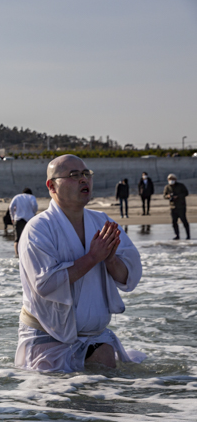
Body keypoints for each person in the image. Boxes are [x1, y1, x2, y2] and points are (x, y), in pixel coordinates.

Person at [16, 155, 142, 373]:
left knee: (103, 397)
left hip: (95, 338)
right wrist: (92, 258)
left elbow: (129, 277)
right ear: (51, 186)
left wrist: (110, 259)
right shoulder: (38, 229)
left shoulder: (102, 222)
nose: (84, 180)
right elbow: (45, 284)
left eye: (86, 174)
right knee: (54, 403)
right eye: (74, 175)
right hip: (48, 337)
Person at [9, 187, 39, 257]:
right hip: (29, 220)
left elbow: (11, 207)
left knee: (17, 239)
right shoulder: (31, 197)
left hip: (18, 219)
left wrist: (12, 217)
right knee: (30, 238)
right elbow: (35, 206)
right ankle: (29, 254)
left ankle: (17, 255)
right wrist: (33, 213)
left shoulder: (17, 197)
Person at [163, 174, 190, 240]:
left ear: (175, 179)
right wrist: (168, 196)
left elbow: (186, 193)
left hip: (181, 206)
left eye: (172, 179)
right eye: (170, 179)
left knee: (184, 221)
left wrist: (178, 196)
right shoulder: (167, 187)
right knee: (174, 222)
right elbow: (164, 195)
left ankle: (188, 235)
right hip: (172, 207)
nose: (171, 180)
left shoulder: (181, 185)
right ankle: (177, 235)